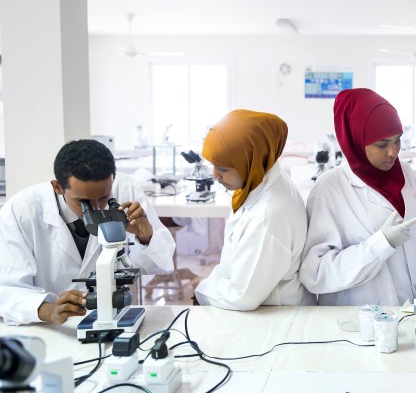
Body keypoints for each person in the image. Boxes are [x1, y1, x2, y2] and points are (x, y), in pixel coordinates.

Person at [0, 139, 175, 325]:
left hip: (114, 320)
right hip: (51, 329)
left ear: (113, 180)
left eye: (105, 197)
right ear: (57, 187)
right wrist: (49, 310)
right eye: (84, 202)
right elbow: (6, 290)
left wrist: (145, 236)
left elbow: (162, 265)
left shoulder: (126, 191)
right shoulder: (21, 211)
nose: (98, 209)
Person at [299, 88, 416, 306]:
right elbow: (316, 274)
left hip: (411, 314)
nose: (393, 152)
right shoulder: (329, 189)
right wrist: (380, 245)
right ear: (355, 139)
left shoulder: (406, 174)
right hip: (358, 322)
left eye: (397, 140)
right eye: (382, 144)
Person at [193, 110, 315, 309]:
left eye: (223, 169)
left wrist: (202, 291)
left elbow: (242, 296)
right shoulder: (259, 182)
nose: (215, 175)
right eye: (213, 165)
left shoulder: (269, 215)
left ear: (251, 161)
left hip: (277, 319)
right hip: (265, 310)